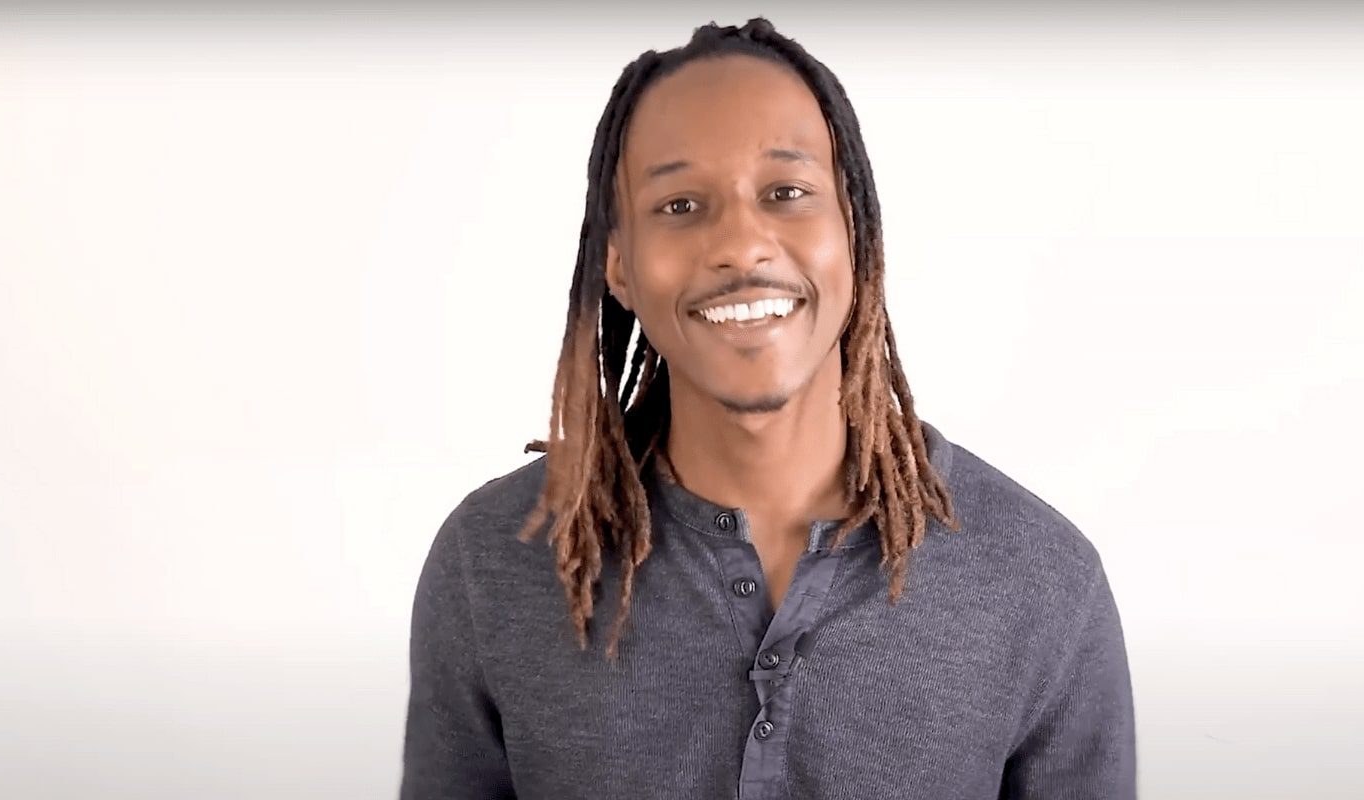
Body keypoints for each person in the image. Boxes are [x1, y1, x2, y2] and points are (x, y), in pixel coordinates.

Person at [401, 17, 1135, 800]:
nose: (741, 244)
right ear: (619, 265)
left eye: (786, 193)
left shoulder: (1042, 581)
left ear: (853, 232)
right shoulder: (491, 565)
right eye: (680, 205)